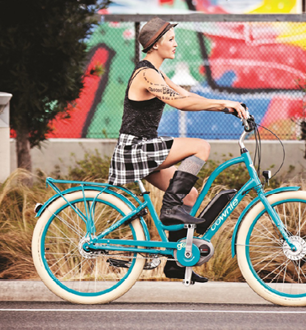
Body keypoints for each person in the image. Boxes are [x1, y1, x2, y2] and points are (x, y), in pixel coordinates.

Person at [107, 17, 246, 283]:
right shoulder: (146, 73)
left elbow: (189, 95)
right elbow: (180, 103)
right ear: (156, 43)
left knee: (190, 196)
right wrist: (221, 104)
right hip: (135, 148)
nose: (176, 44)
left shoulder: (157, 73)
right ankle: (169, 208)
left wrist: (227, 105)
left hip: (144, 149)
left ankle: (174, 265)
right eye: (171, 39)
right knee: (200, 146)